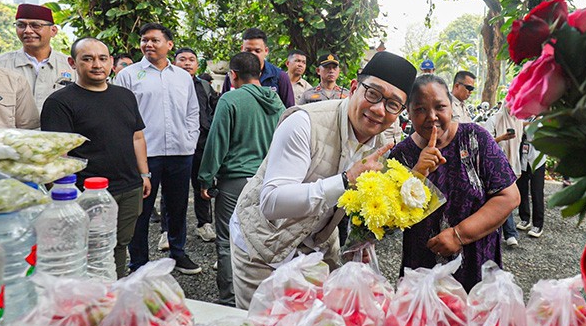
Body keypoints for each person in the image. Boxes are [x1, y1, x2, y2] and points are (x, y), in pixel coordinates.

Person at [230, 51, 417, 308]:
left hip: (315, 248)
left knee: (316, 325)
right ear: (354, 87)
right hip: (263, 246)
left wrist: (360, 242)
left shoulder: (380, 145)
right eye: (373, 94)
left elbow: (355, 205)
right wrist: (345, 180)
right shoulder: (304, 122)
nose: (378, 109)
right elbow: (272, 202)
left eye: (392, 104)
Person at [389, 74, 519, 292]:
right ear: (408, 113)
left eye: (440, 107)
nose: (432, 117)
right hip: (423, 269)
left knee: (475, 312)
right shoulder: (401, 155)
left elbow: (509, 197)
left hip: (476, 264)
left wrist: (458, 235)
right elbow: (390, 218)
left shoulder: (476, 138)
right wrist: (417, 174)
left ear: (451, 107)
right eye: (420, 109)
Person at [40, 38, 151, 278]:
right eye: (88, 59)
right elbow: (58, 154)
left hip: (129, 186)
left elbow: (137, 137)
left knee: (120, 244)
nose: (97, 65)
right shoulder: (60, 102)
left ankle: (114, 288)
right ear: (73, 63)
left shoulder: (125, 96)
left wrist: (144, 173)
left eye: (102, 58)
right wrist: (63, 195)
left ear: (111, 61)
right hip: (86, 192)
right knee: (88, 248)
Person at [198, 52, 285, 306]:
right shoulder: (277, 102)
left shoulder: (230, 99)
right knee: (264, 240)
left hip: (235, 182)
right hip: (268, 181)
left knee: (228, 240)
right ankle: (264, 298)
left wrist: (206, 178)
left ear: (233, 75)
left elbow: (217, 142)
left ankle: (229, 298)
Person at [115, 22, 202, 275]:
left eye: (155, 40)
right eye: (145, 40)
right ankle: (139, 262)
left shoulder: (182, 76)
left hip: (180, 152)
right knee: (140, 210)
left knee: (177, 207)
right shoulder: (128, 75)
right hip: (145, 154)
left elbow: (192, 111)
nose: (148, 44)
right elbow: (121, 116)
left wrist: (189, 140)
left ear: (169, 45)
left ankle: (178, 253)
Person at [0, 3, 74, 111]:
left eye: (36, 25)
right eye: (21, 25)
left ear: (53, 31)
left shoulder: (71, 66)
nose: (27, 31)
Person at [172, 47, 216, 243]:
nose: (187, 63)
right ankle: (168, 230)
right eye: (182, 59)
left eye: (191, 59)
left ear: (197, 65)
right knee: (173, 189)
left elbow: (214, 108)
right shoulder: (170, 84)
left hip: (201, 142)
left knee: (202, 185)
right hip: (176, 142)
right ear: (174, 63)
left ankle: (204, 224)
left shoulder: (204, 86)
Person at [483, 104, 526, 247]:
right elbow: (485, 143)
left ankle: (501, 233)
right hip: (495, 164)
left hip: (511, 164)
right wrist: (502, 138)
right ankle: (510, 234)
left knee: (502, 199)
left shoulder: (518, 121)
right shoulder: (494, 120)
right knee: (504, 198)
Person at [220, 28, 294, 107]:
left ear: (266, 51)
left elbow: (289, 110)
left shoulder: (280, 77)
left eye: (257, 51)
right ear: (242, 49)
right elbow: (224, 105)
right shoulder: (233, 75)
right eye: (248, 50)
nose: (252, 54)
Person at [515, 116, 547, 238]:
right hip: (524, 157)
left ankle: (538, 224)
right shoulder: (527, 117)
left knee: (536, 191)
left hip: (537, 160)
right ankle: (524, 218)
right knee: (522, 189)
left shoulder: (543, 119)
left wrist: (522, 124)